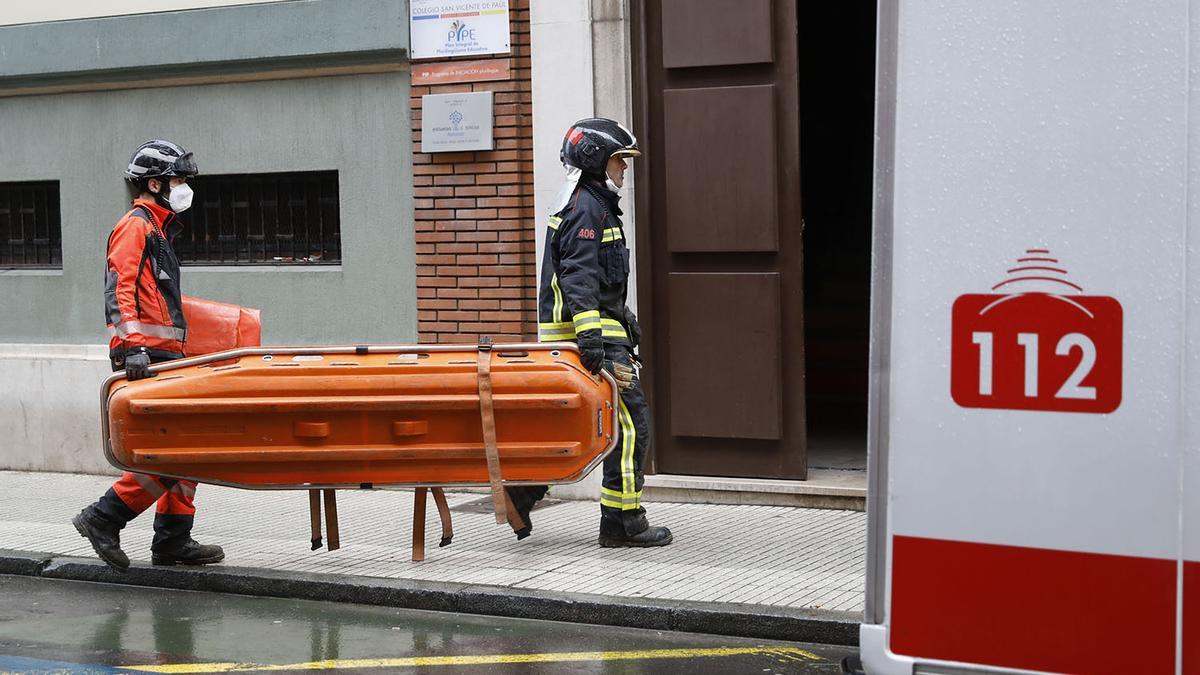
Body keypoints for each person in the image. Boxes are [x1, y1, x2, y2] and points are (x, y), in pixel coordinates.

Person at [508, 118, 672, 547]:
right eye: (620, 160)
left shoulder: (593, 204)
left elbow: (600, 280)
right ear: (597, 160)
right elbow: (578, 278)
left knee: (588, 426)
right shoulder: (586, 208)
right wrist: (592, 340)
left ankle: (524, 493)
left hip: (596, 334)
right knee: (631, 425)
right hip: (589, 340)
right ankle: (624, 522)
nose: (625, 168)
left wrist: (624, 316)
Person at [71, 140, 225, 570]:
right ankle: (103, 518)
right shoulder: (135, 226)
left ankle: (173, 539)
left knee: (185, 450)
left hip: (165, 355)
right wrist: (133, 347)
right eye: (178, 180)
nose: (184, 187)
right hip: (147, 357)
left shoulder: (158, 229)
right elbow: (119, 288)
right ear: (154, 184)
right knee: (176, 452)